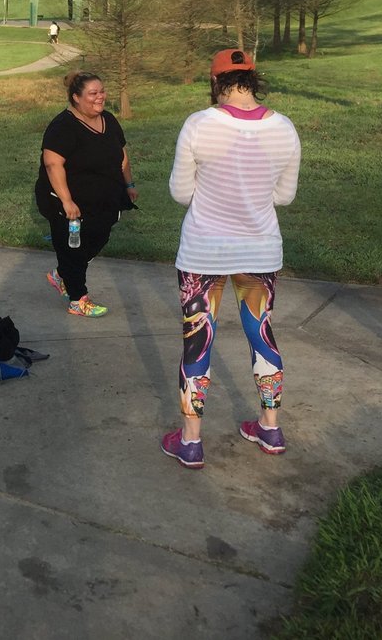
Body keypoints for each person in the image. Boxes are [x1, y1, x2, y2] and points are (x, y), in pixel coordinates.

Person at [162, 49, 301, 469]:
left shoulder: (198, 124)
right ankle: (270, 427)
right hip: (259, 250)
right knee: (262, 333)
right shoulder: (285, 129)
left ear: (216, 81)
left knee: (197, 340)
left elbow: (181, 193)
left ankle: (190, 440)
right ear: (253, 80)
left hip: (204, 250)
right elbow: (285, 196)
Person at [35, 70, 138, 317]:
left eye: (101, 91)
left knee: (100, 235)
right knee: (73, 247)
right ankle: (77, 300)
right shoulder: (62, 127)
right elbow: (52, 164)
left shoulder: (108, 120)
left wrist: (129, 184)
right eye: (93, 93)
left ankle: (62, 275)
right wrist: (66, 200)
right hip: (67, 201)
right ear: (76, 98)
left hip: (104, 198)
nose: (100, 97)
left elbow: (121, 154)